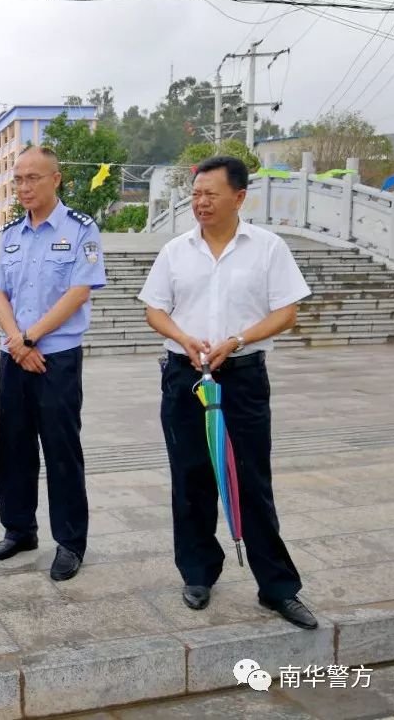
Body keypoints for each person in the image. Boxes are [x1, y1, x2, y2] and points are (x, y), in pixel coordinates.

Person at [138, 155, 318, 630]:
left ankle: (278, 587)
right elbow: (154, 310)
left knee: (252, 480)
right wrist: (182, 337)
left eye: (210, 194)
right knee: (190, 478)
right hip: (185, 377)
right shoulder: (176, 250)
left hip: (243, 378)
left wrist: (238, 340)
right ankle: (198, 573)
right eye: (196, 194)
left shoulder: (268, 248)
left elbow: (287, 313)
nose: (200, 202)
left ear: (239, 198)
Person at [0, 146, 106, 582]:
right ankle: (19, 529)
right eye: (18, 179)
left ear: (56, 179)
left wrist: (31, 337)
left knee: (61, 450)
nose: (23, 187)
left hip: (57, 359)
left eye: (32, 178)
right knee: (12, 448)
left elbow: (79, 291)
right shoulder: (11, 234)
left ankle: (70, 542)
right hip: (15, 357)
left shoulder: (81, 229)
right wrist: (18, 343)